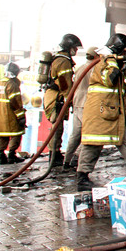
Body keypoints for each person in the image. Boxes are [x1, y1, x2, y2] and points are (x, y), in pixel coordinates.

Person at [77, 34, 126, 191]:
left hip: (112, 112)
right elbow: (109, 79)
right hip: (99, 113)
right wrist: (113, 60)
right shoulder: (102, 62)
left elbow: (124, 86)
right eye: (124, 51)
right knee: (93, 144)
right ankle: (82, 177)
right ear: (116, 49)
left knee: (124, 140)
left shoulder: (113, 64)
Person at [43, 33, 82, 167]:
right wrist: (69, 99)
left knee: (58, 126)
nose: (76, 51)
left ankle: (55, 153)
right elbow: (65, 84)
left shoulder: (62, 58)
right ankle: (54, 155)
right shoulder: (63, 61)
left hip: (54, 95)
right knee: (57, 127)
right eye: (74, 48)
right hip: (56, 97)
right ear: (68, 47)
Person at [61, 46, 99, 172]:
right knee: (89, 135)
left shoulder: (80, 68)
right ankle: (76, 159)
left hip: (77, 103)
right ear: (95, 56)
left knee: (75, 135)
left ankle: (67, 161)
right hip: (86, 105)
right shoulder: (94, 69)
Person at [0, 62, 27, 165]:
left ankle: (2, 155)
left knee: (3, 135)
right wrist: (21, 116)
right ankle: (11, 155)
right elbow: (15, 102)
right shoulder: (12, 85)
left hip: (0, 115)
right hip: (11, 115)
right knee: (16, 134)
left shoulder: (0, 83)